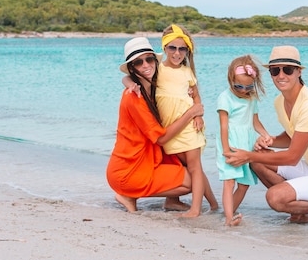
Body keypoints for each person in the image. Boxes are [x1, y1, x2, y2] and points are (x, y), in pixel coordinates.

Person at [223, 46, 308, 224]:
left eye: (287, 70)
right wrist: (270, 141)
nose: (281, 76)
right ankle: (300, 211)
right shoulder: (280, 101)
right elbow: (292, 136)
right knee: (258, 160)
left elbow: (293, 157)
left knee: (275, 197)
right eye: (275, 70)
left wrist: (247, 155)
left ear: (298, 72)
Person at [123, 24, 218, 217]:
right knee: (182, 166)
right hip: (170, 128)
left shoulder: (187, 72)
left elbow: (196, 97)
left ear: (187, 51)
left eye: (182, 49)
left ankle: (197, 208)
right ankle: (179, 202)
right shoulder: (156, 68)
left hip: (190, 127)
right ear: (164, 48)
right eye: (172, 48)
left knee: (194, 166)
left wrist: (198, 114)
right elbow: (128, 76)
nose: (177, 53)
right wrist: (129, 83)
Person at [106, 37, 203, 212]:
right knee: (190, 181)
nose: (145, 65)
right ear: (132, 67)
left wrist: (186, 93)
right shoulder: (134, 97)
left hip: (147, 162)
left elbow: (128, 78)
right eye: (138, 62)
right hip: (128, 171)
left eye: (149, 59)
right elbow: (161, 138)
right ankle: (127, 194)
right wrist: (191, 113)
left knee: (182, 157)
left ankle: (171, 201)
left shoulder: (152, 86)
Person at [215, 55, 272, 226]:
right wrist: (226, 150)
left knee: (244, 185)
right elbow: (223, 126)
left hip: (246, 143)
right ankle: (228, 218)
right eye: (238, 86)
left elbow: (255, 122)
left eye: (248, 87)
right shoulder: (224, 98)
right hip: (230, 143)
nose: (243, 90)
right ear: (230, 79)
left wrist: (265, 134)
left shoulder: (251, 98)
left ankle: (229, 211)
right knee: (229, 181)